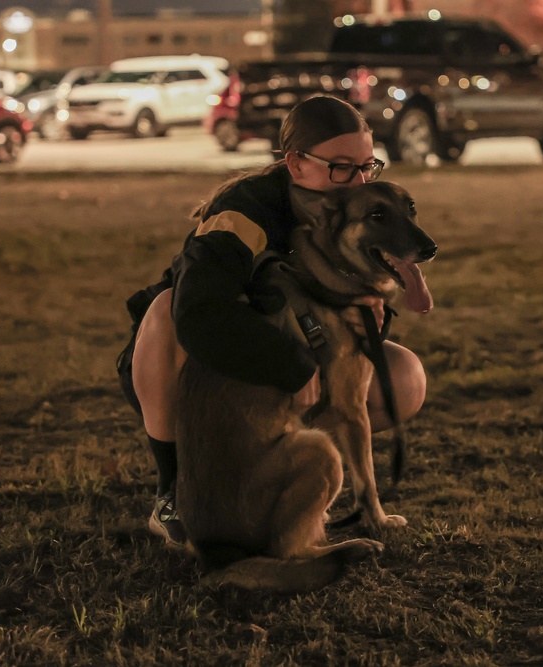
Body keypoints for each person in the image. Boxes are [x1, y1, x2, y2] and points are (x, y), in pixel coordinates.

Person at [116, 95, 432, 545]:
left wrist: (372, 322)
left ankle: (276, 476)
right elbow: (198, 314)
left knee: (404, 378)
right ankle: (174, 487)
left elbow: (350, 313)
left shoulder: (356, 210)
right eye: (341, 167)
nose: (357, 181)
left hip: (280, 374)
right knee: (167, 307)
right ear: (296, 164)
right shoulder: (244, 211)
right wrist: (290, 364)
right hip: (195, 370)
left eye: (367, 166)